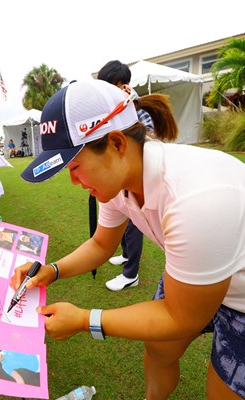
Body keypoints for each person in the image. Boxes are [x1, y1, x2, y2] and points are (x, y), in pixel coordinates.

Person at [11, 80, 245, 400]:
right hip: (204, 274)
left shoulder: (198, 197)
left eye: (76, 166)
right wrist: (50, 271)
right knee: (158, 347)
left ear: (117, 143)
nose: (74, 180)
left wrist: (85, 320)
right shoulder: (117, 182)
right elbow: (100, 245)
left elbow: (181, 317)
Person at [97, 60, 160, 291]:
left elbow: (151, 138)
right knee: (121, 218)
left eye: (109, 85)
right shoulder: (110, 107)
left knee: (134, 224)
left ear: (122, 84)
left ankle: (131, 274)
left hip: (137, 176)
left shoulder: (135, 107)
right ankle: (126, 255)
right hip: (118, 175)